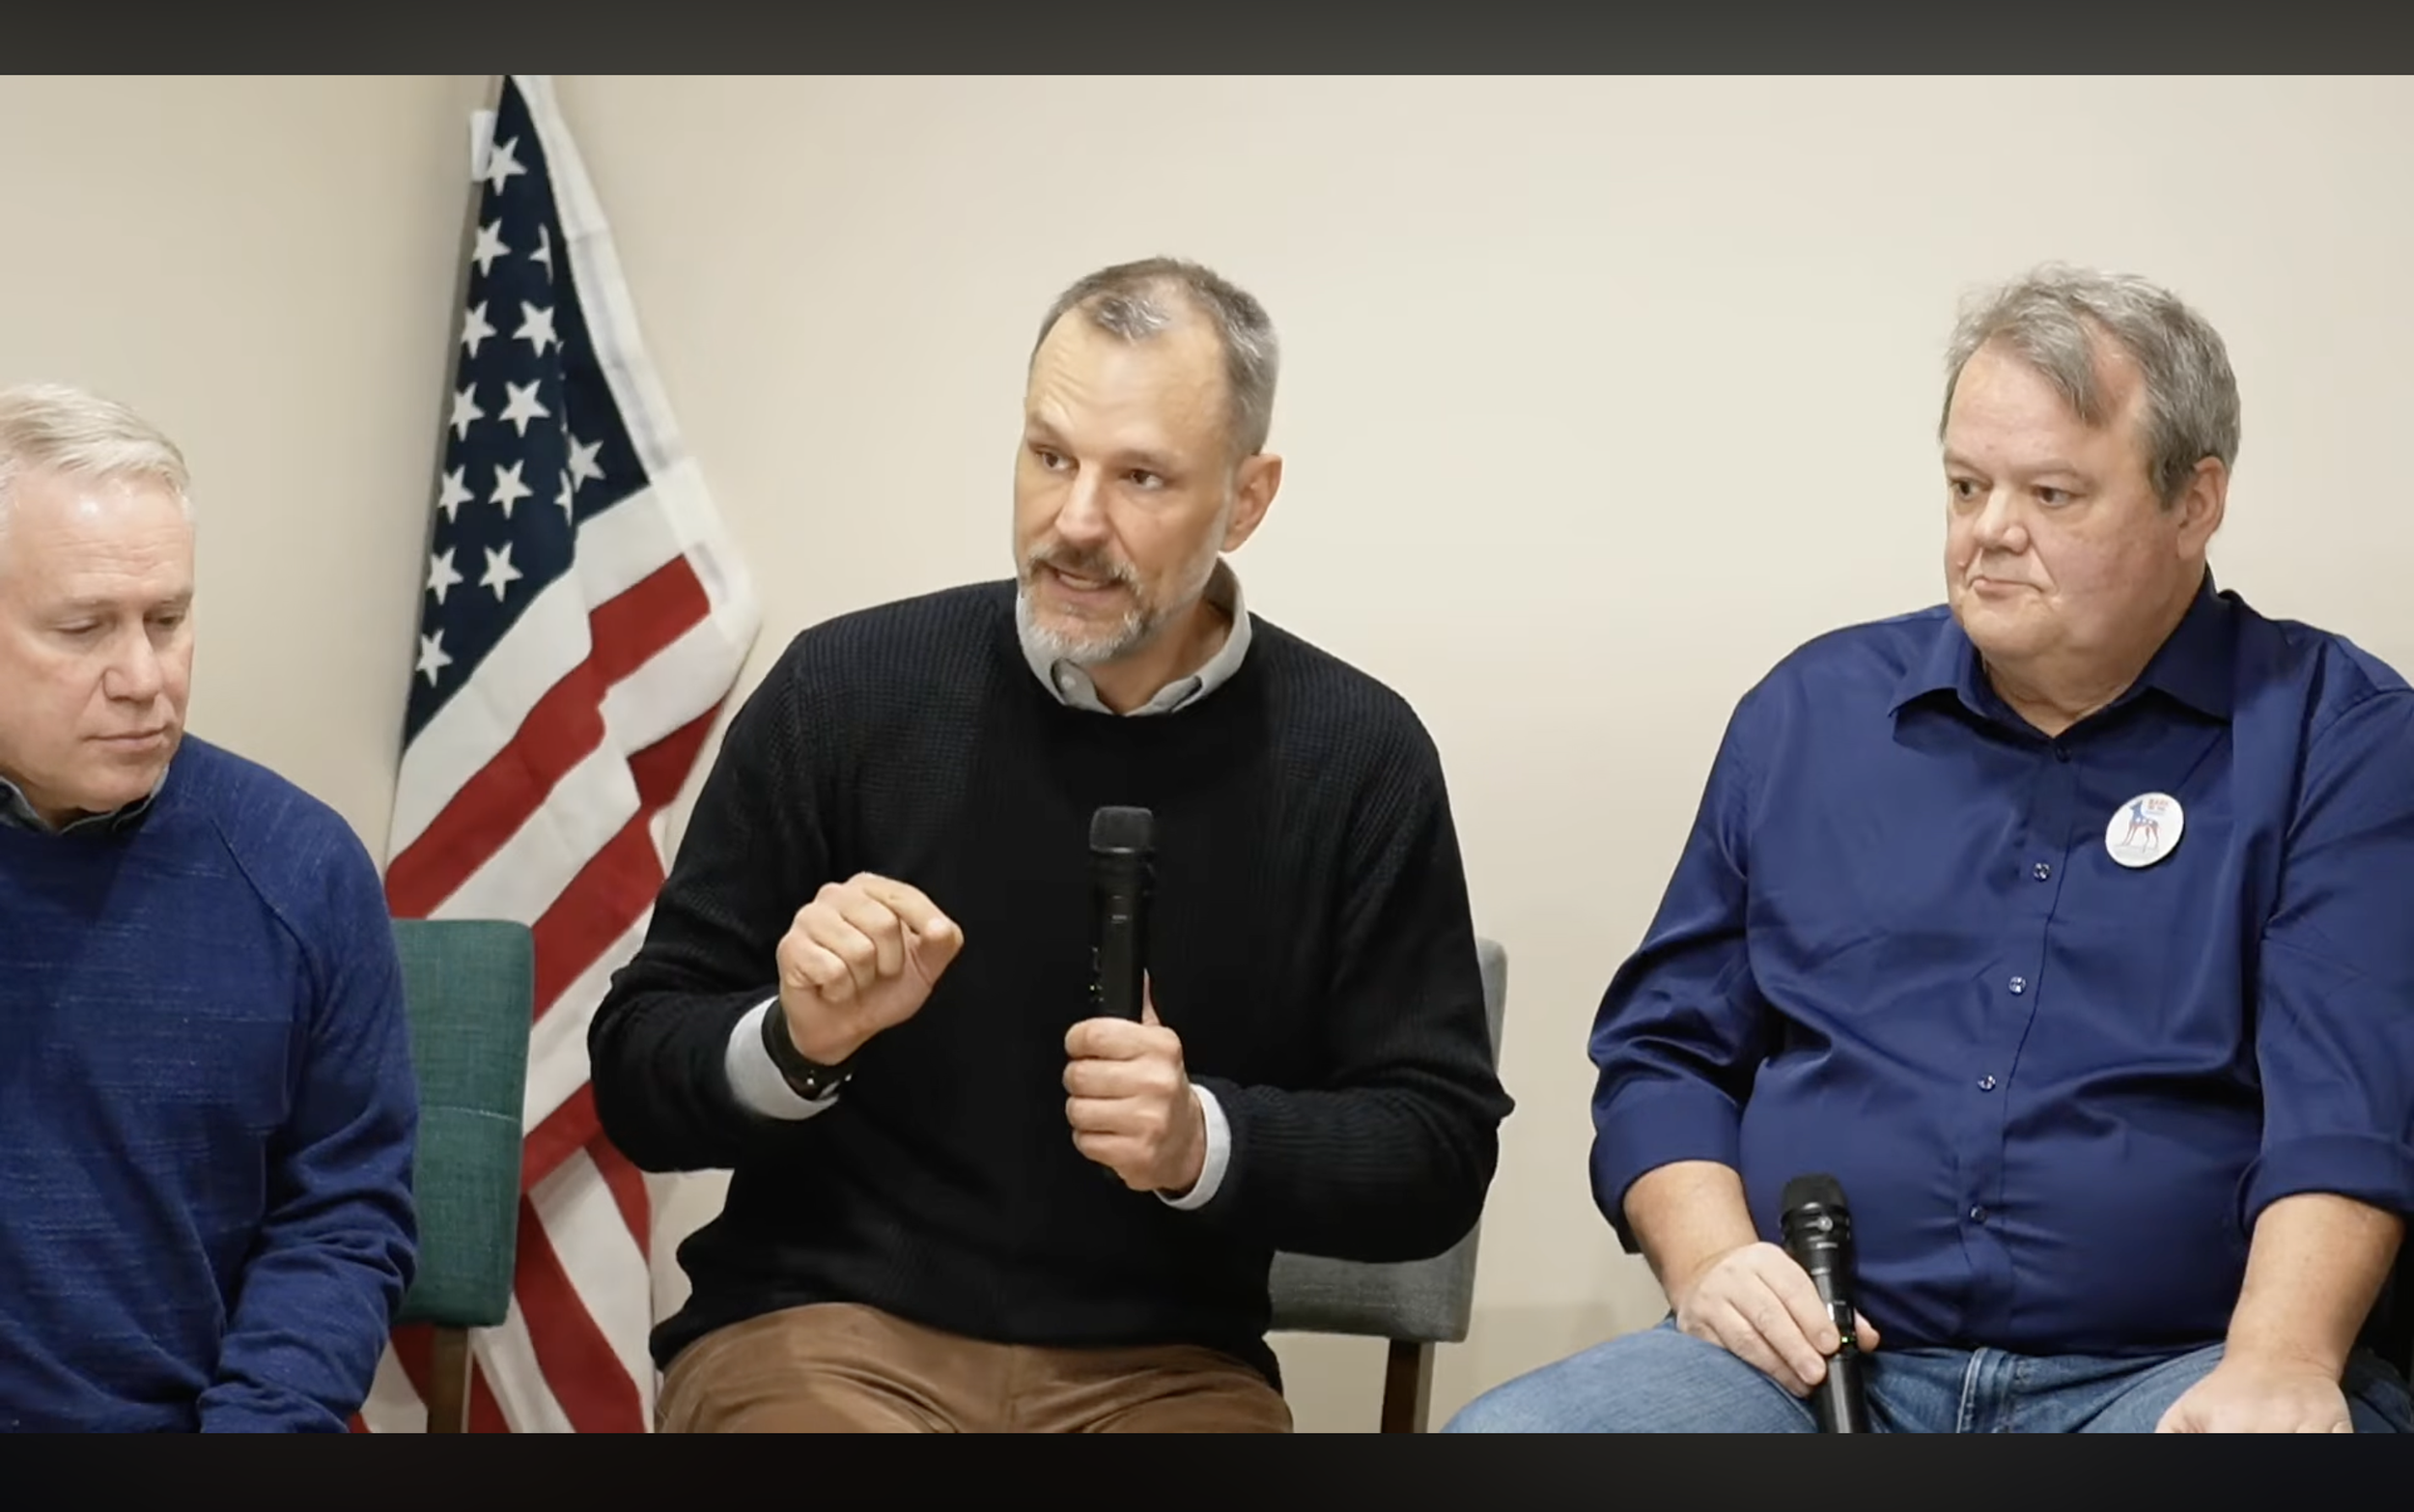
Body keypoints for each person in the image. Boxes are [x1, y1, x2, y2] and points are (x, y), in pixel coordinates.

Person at [1446, 264, 2414, 1434]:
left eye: (2052, 494)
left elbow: (2349, 1102)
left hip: (2168, 1370)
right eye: (1966, 485)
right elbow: (1665, 1055)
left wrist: (2279, 1360)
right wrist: (1709, 1264)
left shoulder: (2334, 735)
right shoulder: (1810, 715)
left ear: (2193, 502)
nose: (1991, 533)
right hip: (1809, 1366)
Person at [589, 256, 1513, 1433]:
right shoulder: (845, 689)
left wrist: (1201, 1140)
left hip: (1166, 1370)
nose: (1075, 522)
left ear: (1247, 498)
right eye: (1050, 456)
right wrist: (793, 1041)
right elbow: (632, 1073)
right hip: (824, 1334)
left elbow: (1435, 1152)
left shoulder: (1359, 756)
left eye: (1140, 477)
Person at [0, 381, 419, 1431]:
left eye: (170, 619)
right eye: (85, 628)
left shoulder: (300, 867)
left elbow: (341, 1220)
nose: (144, 676)